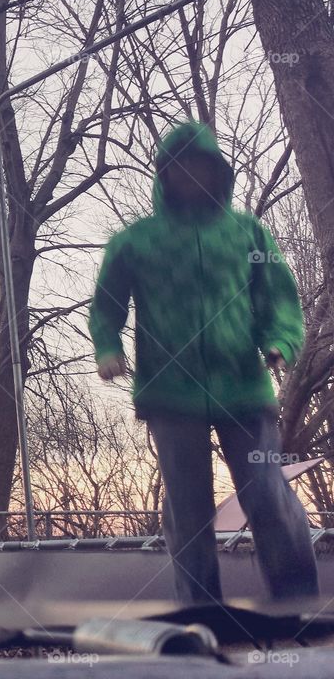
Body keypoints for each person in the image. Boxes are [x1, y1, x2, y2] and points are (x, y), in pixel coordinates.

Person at [88, 120, 319, 604]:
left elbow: (278, 298)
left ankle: (297, 599)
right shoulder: (136, 241)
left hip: (242, 387)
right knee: (188, 507)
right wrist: (107, 346)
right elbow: (107, 304)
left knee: (267, 491)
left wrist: (280, 340)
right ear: (165, 175)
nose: (191, 176)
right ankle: (201, 607)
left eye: (200, 166)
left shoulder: (246, 233)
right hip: (171, 393)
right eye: (180, 168)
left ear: (217, 172)